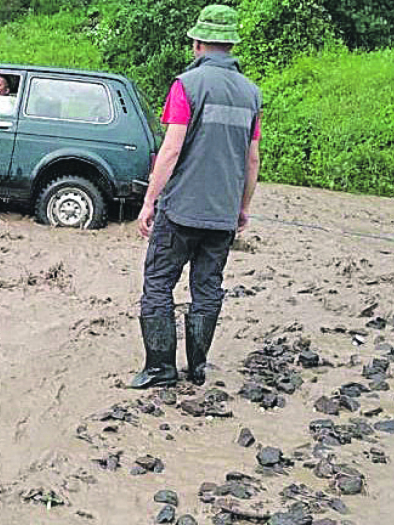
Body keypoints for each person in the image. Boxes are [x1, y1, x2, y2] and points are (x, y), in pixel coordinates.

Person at [130, 4, 262, 389]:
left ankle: (160, 369)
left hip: (181, 211)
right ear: (231, 45)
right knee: (207, 289)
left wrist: (149, 201)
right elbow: (252, 160)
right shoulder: (251, 93)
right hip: (222, 214)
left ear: (198, 43)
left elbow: (171, 150)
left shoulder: (185, 85)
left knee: (157, 285)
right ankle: (198, 368)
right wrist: (243, 208)